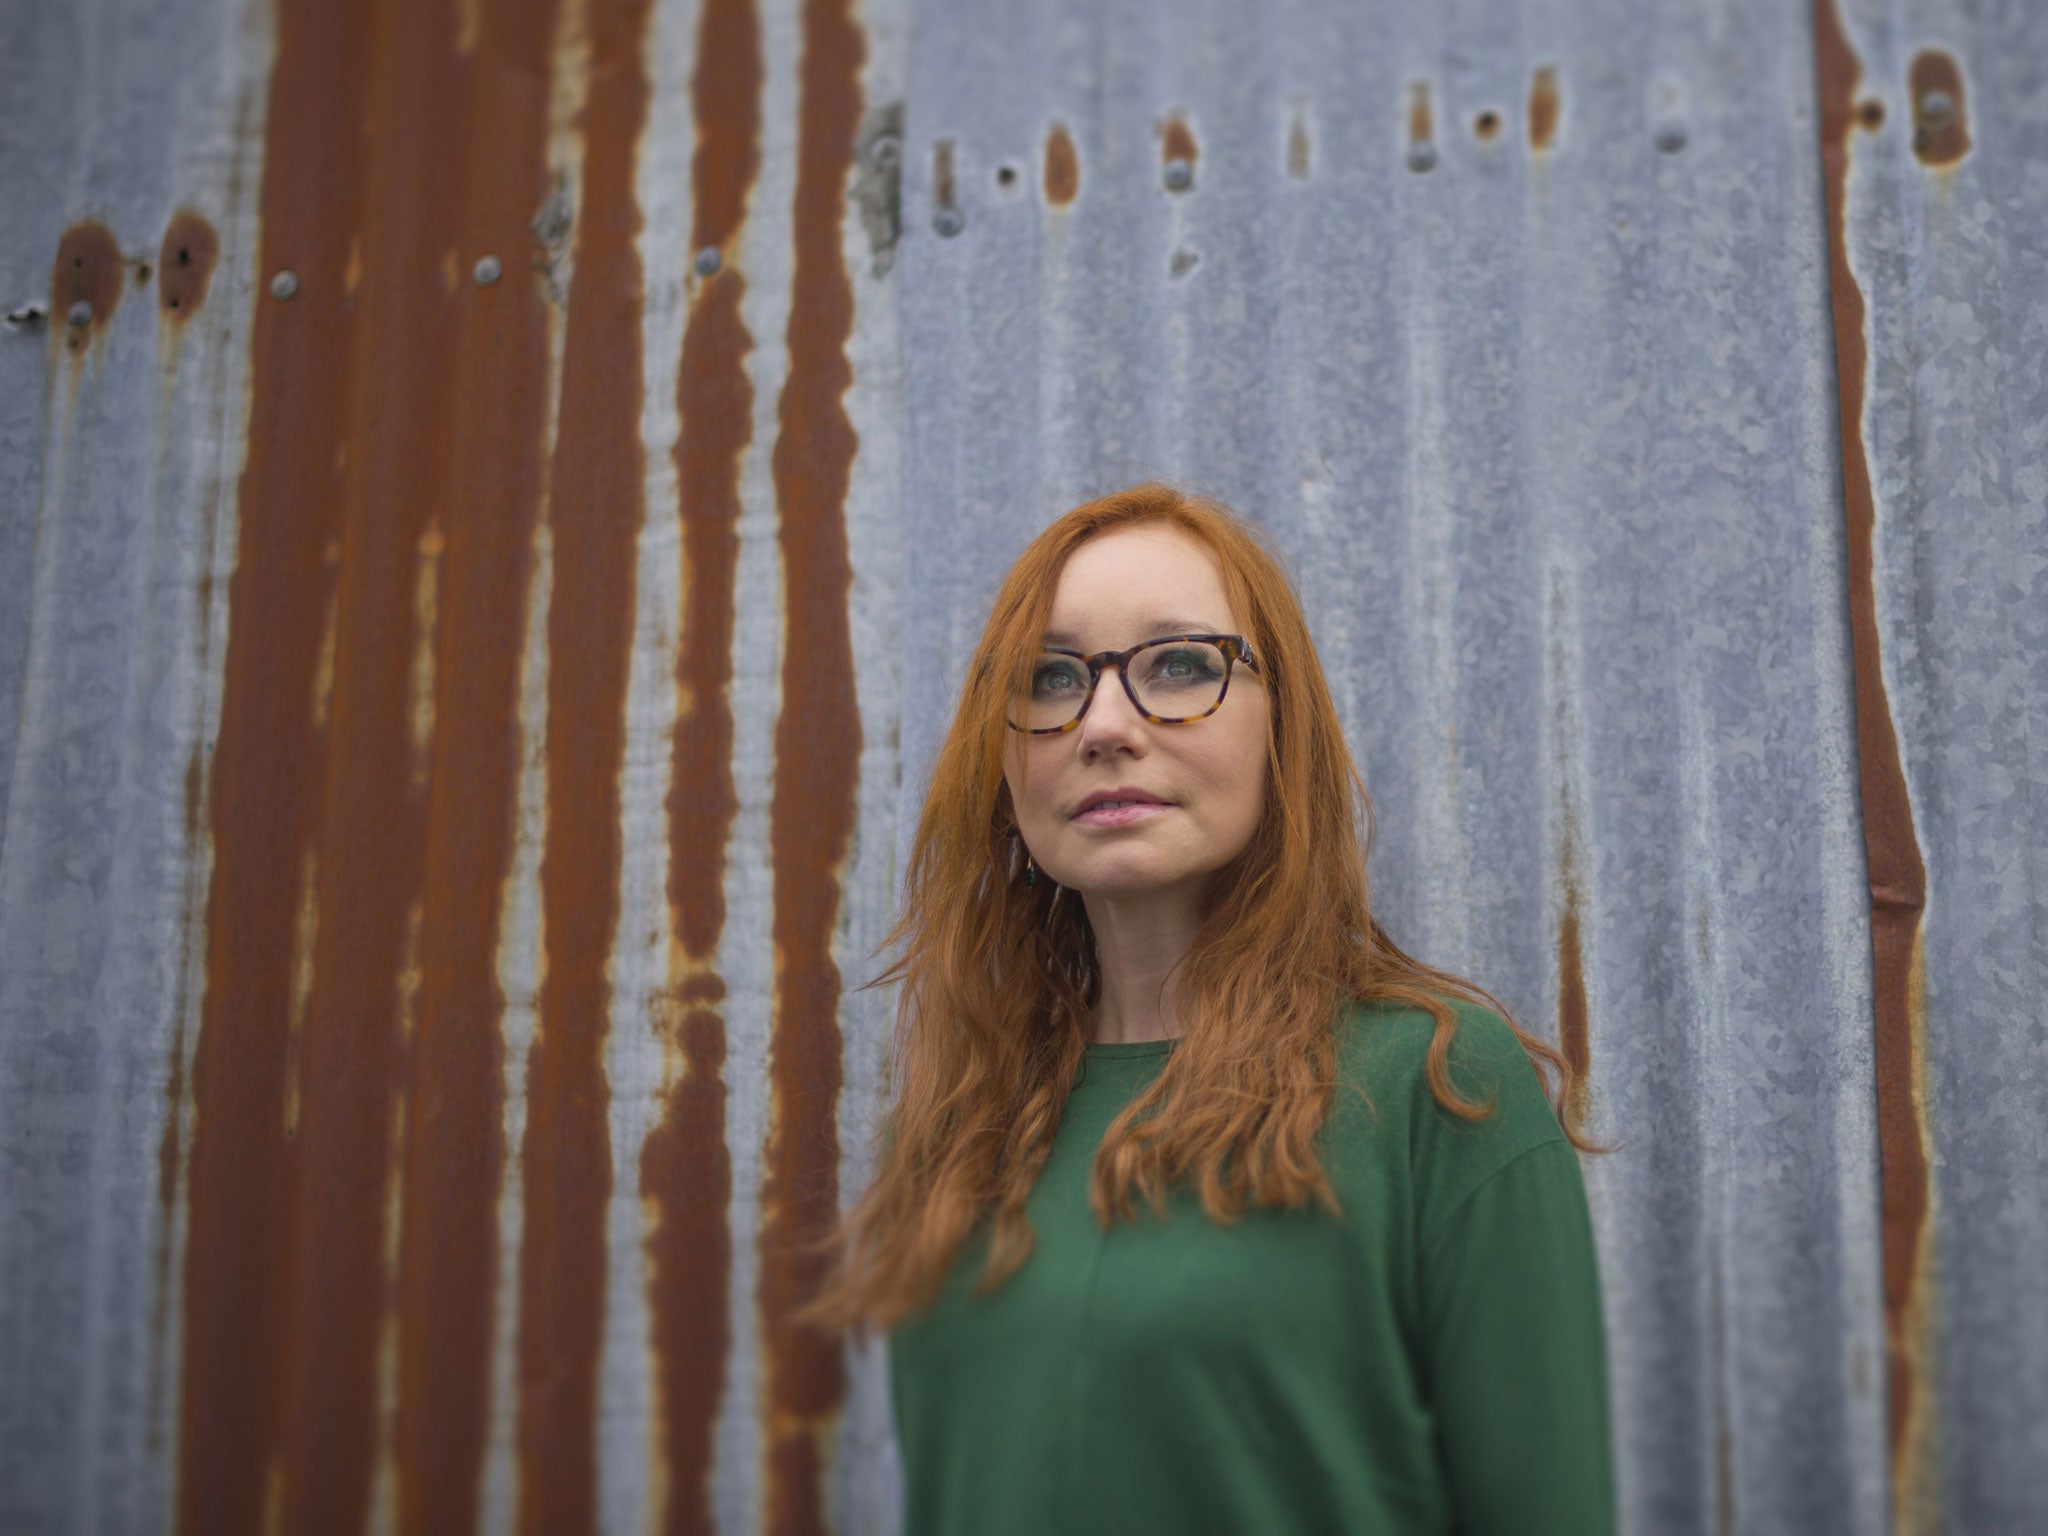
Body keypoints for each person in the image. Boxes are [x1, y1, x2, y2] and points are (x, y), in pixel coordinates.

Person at [808, 484, 1614, 1534]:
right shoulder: (965, 1119)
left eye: (1179, 665)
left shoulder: (1437, 1088)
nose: (1102, 725)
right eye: (1048, 679)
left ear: (1281, 724)